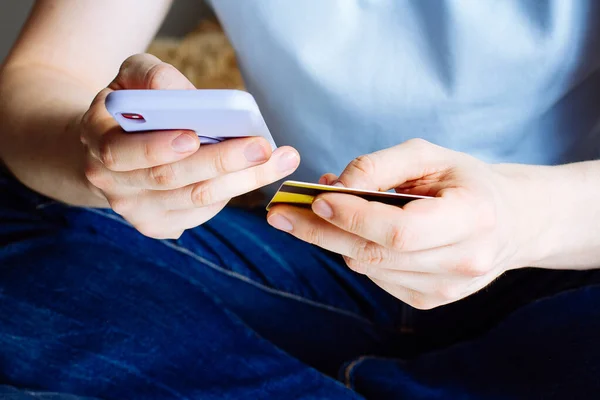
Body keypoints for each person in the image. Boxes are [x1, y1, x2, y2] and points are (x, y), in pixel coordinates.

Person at [1, 0, 599, 398]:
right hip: (305, 239)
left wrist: (522, 217)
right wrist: (100, 161)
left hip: (559, 255)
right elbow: (44, 74)